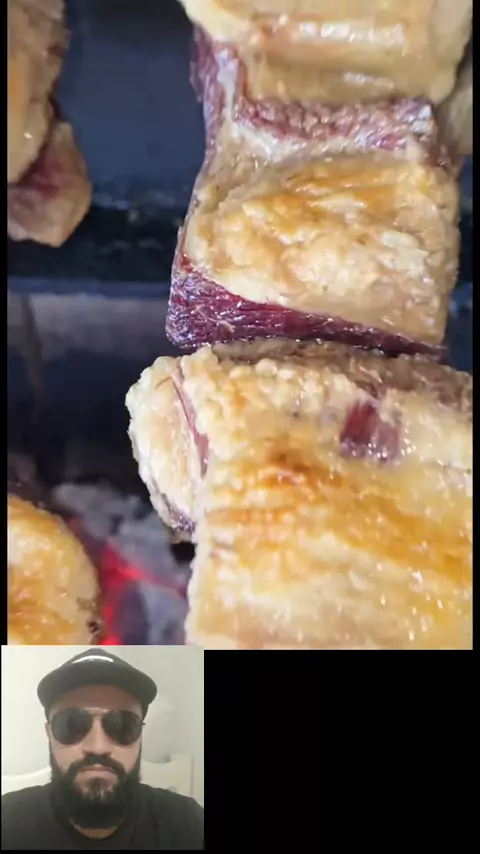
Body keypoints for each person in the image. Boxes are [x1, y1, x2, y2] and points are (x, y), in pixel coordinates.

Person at [1, 648, 204, 850]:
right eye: (72, 725)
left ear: (140, 734)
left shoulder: (186, 825)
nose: (97, 747)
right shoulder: (8, 822)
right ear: (49, 734)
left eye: (122, 726)